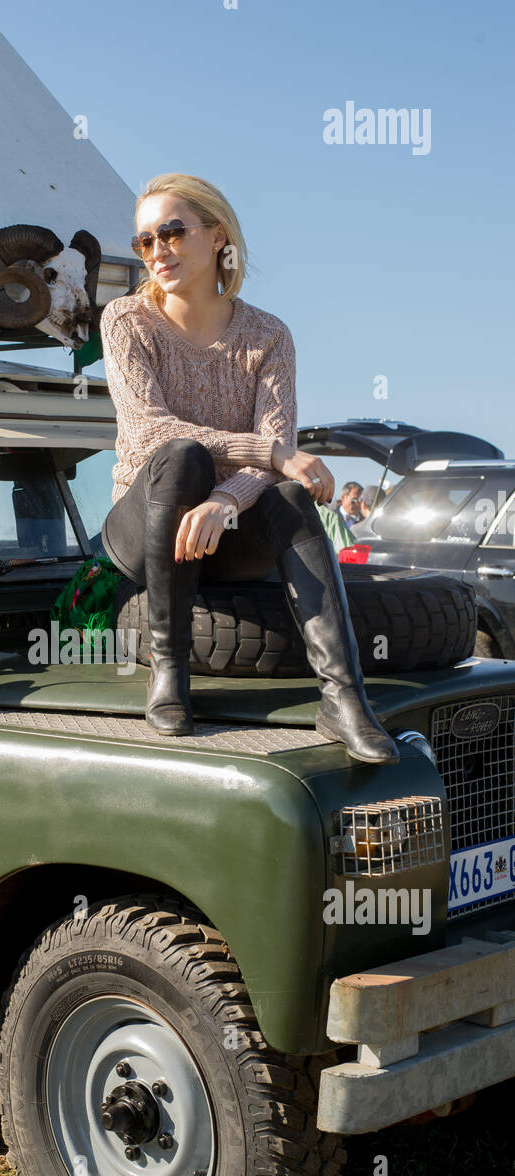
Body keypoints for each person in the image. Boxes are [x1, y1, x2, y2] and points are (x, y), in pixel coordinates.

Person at [98, 172, 398, 763]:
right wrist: (266, 454)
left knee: (290, 499)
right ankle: (169, 672)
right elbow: (150, 429)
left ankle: (343, 699)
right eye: (145, 241)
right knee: (180, 457)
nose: (158, 250)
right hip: (144, 529)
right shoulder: (126, 320)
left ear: (217, 236)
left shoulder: (268, 335)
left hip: (224, 536)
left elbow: (276, 449)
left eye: (172, 232)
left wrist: (228, 499)